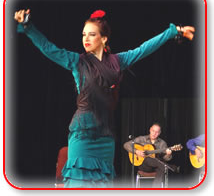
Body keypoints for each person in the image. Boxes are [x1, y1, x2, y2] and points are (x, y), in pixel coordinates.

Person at [14, 9, 194, 188]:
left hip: (105, 137)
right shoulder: (77, 61)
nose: (86, 39)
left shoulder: (118, 61)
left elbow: (144, 49)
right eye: (84, 34)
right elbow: (48, 48)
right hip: (82, 135)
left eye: (92, 35)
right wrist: (27, 25)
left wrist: (172, 31)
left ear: (104, 38)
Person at [123, 123, 180, 187]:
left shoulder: (162, 143)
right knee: (148, 159)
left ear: (159, 133)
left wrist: (168, 154)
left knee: (162, 167)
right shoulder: (141, 139)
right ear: (150, 130)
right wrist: (136, 151)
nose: (154, 133)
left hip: (156, 167)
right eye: (153, 131)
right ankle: (172, 167)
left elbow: (165, 159)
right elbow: (126, 145)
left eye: (157, 132)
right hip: (143, 165)